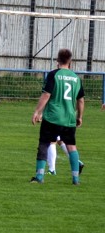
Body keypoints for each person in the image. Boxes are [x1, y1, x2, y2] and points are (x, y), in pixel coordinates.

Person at [31, 48, 84, 185]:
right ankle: (76, 179)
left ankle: (39, 176)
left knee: (44, 143)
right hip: (69, 118)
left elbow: (46, 94)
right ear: (70, 61)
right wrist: (79, 116)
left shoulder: (53, 75)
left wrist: (37, 111)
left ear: (58, 60)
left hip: (52, 117)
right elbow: (81, 100)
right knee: (71, 146)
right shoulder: (76, 78)